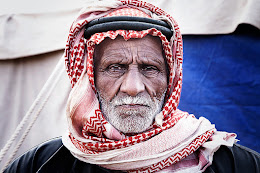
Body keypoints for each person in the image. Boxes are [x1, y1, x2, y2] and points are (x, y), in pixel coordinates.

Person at [4, 0, 260, 172]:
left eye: (150, 68)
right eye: (115, 67)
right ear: (90, 80)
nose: (133, 87)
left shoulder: (234, 164)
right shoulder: (44, 164)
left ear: (170, 80)